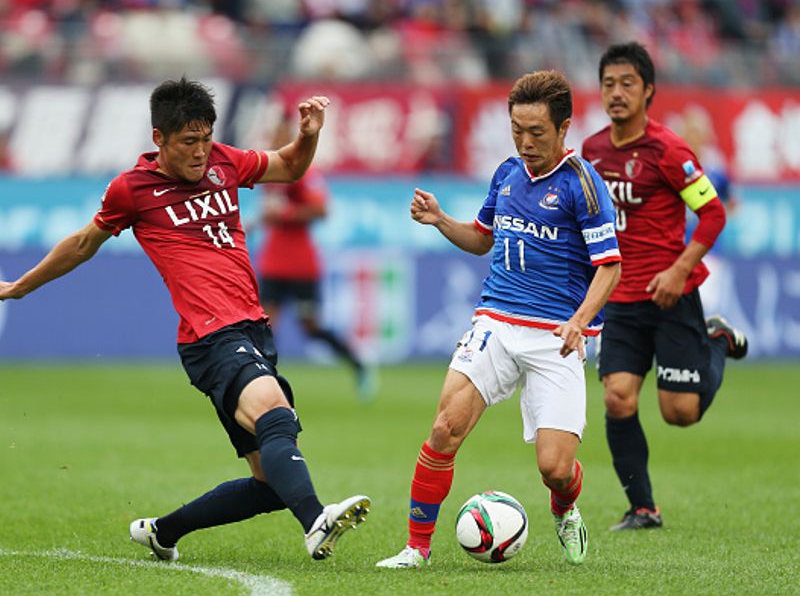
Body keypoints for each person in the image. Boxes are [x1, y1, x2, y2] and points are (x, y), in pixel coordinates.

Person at [0, 78, 370, 561]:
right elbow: (83, 243)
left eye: (206, 138)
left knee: (270, 483)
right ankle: (316, 521)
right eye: (187, 142)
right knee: (275, 412)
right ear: (159, 139)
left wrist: (309, 134)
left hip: (253, 328)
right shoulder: (131, 190)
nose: (200, 152)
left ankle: (163, 532)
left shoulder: (225, 162)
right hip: (209, 335)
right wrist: (19, 287)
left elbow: (291, 166)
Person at [376, 70, 622, 569]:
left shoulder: (583, 185)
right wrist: (442, 220)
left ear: (564, 128)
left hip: (556, 336)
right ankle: (415, 548)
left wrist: (579, 321)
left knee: (555, 468)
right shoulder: (507, 174)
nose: (525, 142)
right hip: (496, 321)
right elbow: (483, 238)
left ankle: (565, 505)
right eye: (517, 130)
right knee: (444, 430)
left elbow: (610, 266)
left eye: (537, 132)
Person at [581, 42, 748, 532]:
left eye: (627, 83)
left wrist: (679, 270)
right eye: (609, 83)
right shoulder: (591, 152)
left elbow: (713, 213)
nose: (616, 93)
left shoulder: (670, 151)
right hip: (620, 297)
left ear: (649, 90)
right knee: (617, 398)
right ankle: (643, 508)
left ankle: (716, 339)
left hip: (669, 294)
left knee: (680, 413)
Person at [256, 114, 375, 401]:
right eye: (274, 135)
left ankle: (358, 364)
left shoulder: (303, 172)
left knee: (311, 327)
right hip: (274, 261)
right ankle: (262, 385)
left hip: (300, 265)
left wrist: (283, 215)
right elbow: (272, 212)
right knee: (264, 325)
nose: (275, 141)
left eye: (282, 135)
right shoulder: (270, 172)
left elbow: (321, 210)